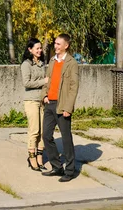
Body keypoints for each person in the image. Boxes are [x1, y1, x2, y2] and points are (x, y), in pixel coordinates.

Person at [42, 34, 79, 182]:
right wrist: (44, 94)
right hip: (49, 103)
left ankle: (70, 171)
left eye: (58, 44)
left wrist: (68, 108)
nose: (55, 46)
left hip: (62, 104)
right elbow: (48, 80)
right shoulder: (52, 61)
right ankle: (57, 167)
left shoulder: (71, 63)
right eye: (55, 44)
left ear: (66, 46)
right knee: (46, 135)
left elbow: (73, 86)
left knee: (66, 138)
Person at [21, 38, 48, 171]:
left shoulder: (42, 63)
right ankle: (31, 158)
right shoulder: (26, 64)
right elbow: (26, 83)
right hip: (31, 100)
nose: (39, 50)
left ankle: (40, 157)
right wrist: (43, 81)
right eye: (37, 48)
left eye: (40, 48)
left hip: (42, 100)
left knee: (43, 131)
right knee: (34, 130)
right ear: (30, 50)